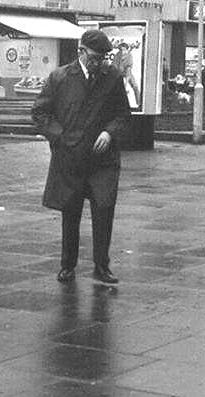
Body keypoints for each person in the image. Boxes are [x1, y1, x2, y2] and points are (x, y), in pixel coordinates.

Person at [32, 29, 131, 285]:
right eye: (95, 57)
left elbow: (122, 114)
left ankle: (102, 266)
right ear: (81, 52)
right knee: (70, 211)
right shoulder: (60, 77)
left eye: (103, 58)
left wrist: (109, 133)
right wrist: (60, 136)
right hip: (71, 157)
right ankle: (68, 265)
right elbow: (40, 113)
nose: (99, 63)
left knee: (104, 210)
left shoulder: (112, 78)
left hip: (102, 161)